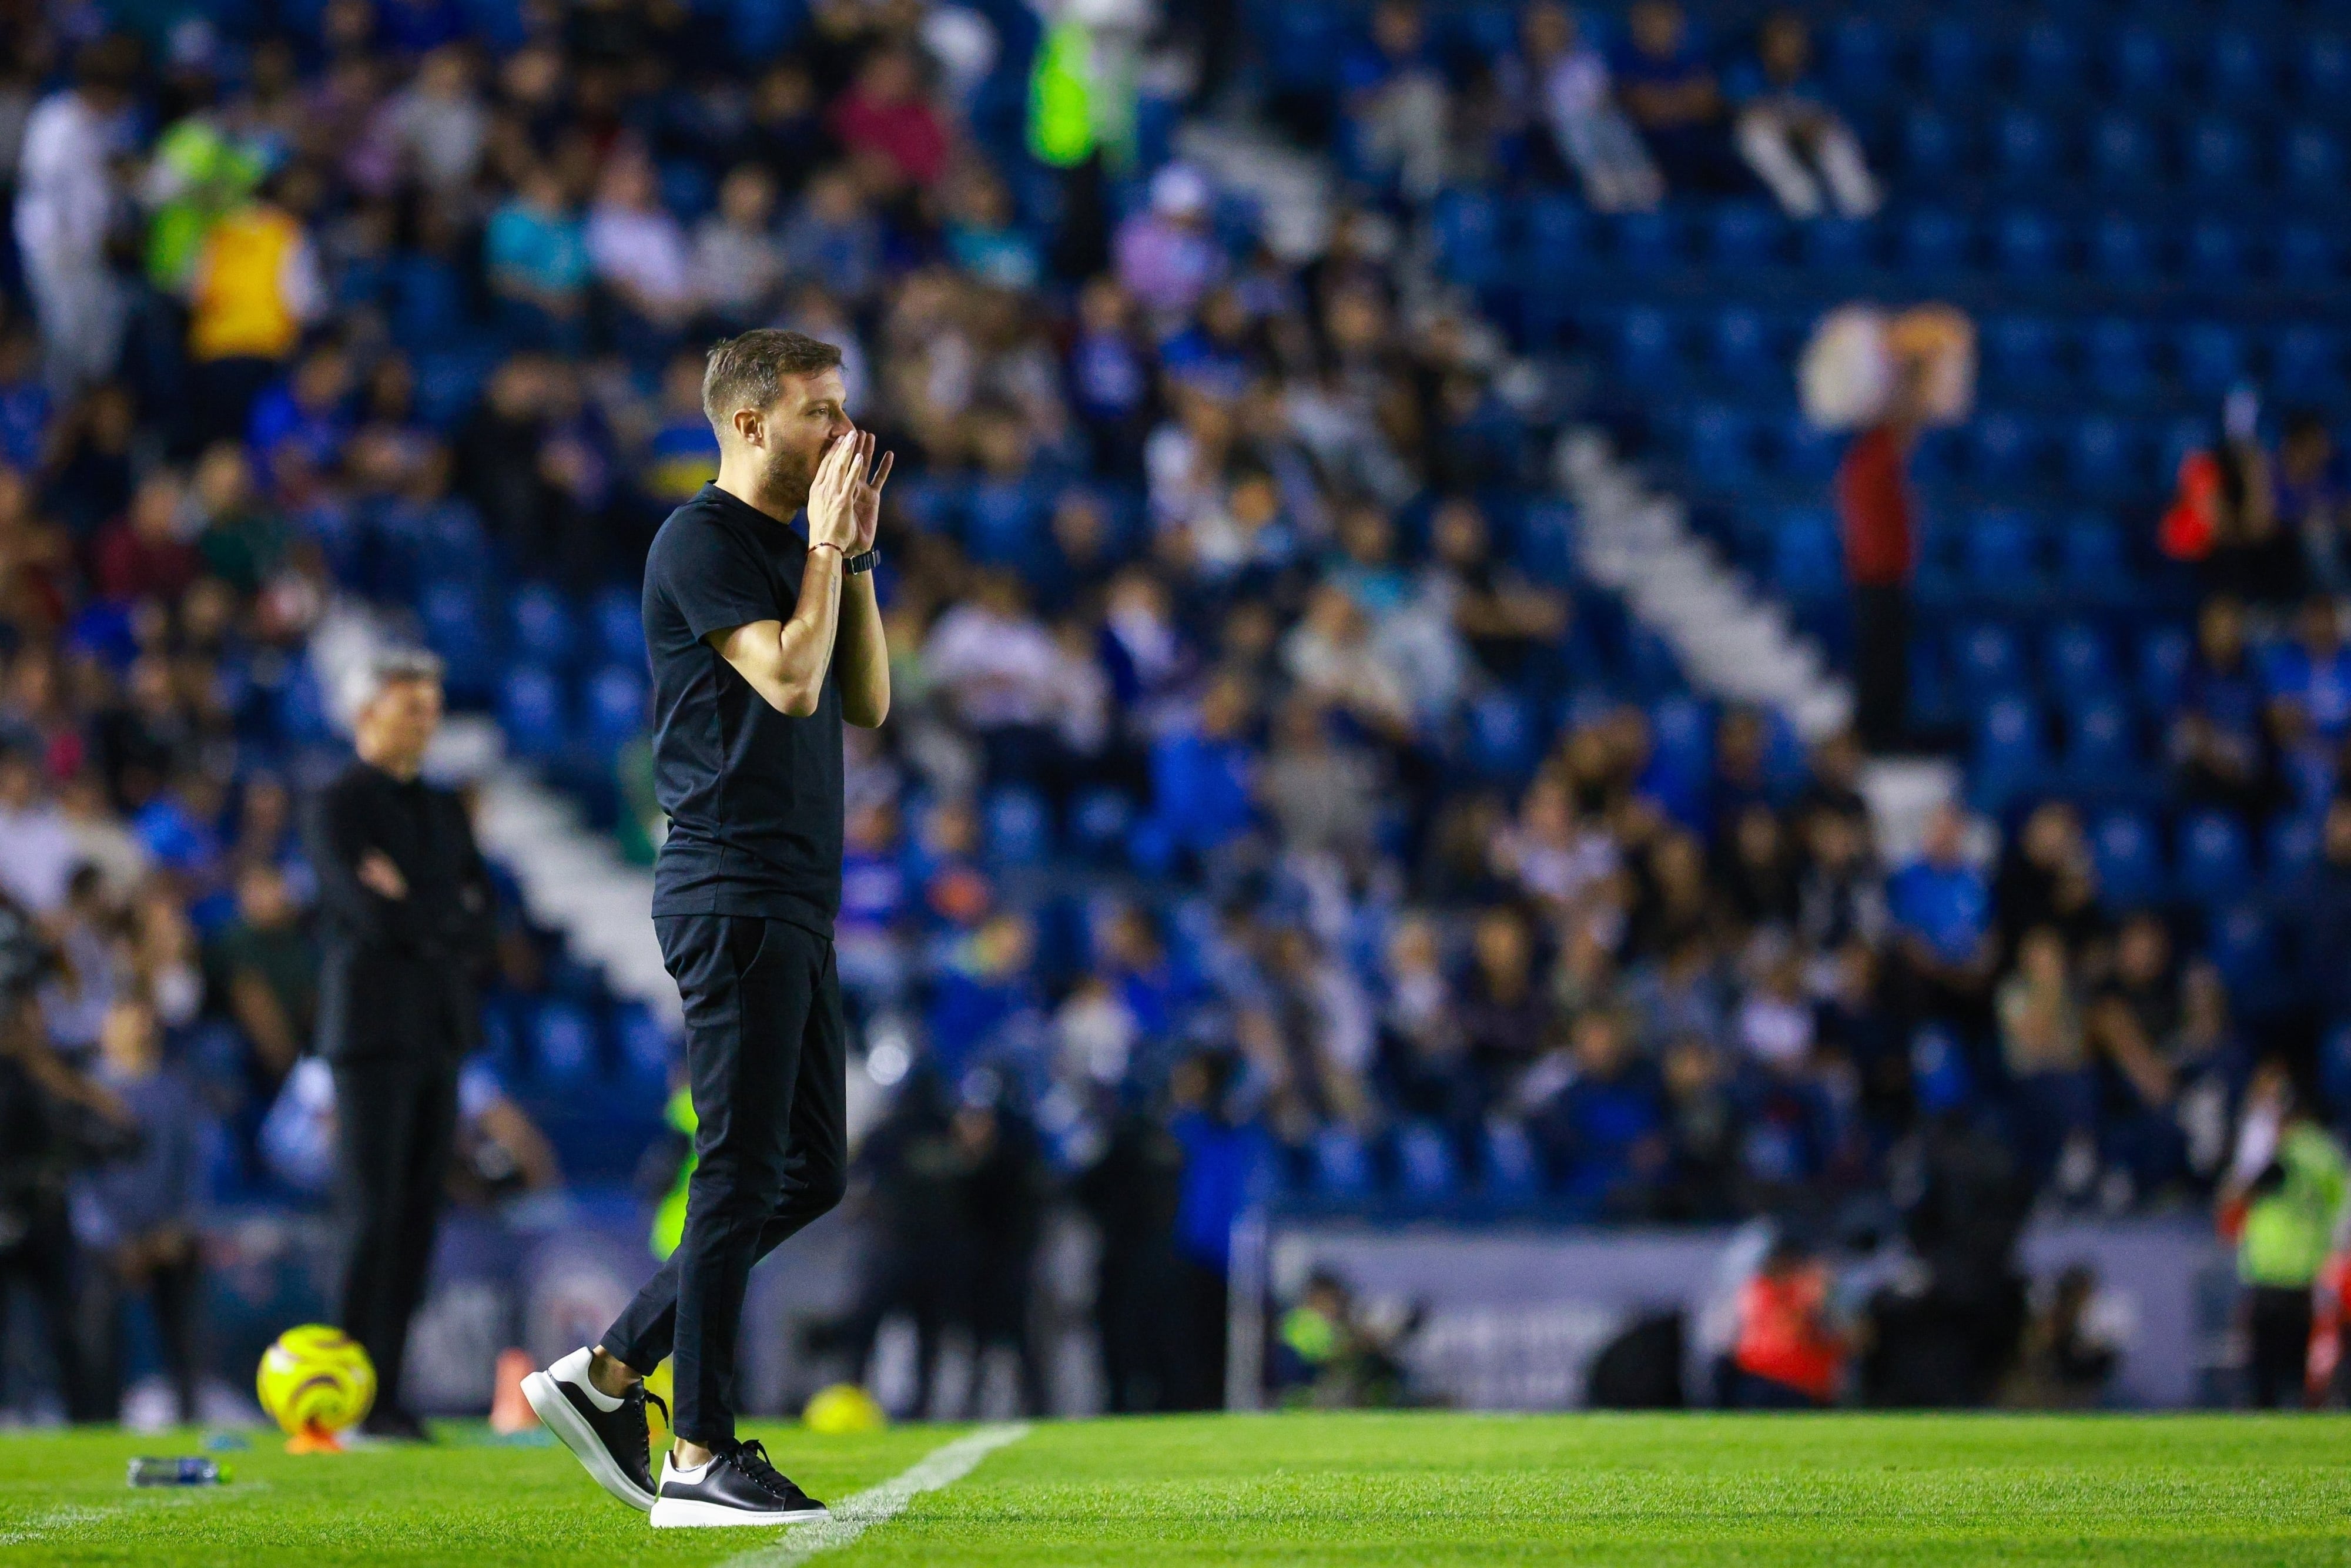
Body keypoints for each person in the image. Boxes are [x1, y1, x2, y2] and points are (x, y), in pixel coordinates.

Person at [525, 329, 891, 1527]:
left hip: (793, 890)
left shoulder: (800, 551)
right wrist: (826, 555)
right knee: (737, 1161)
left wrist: (857, 563)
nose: (842, 434)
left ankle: (611, 1368)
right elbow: (787, 679)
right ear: (745, 424)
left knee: (809, 1169)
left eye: (841, 411)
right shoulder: (697, 540)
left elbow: (867, 701)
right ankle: (697, 1453)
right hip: (729, 882)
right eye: (817, 413)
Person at [305, 649, 496, 1442]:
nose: (424, 720)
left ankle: (385, 1393)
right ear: (364, 716)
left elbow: (484, 917)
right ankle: (345, 1395)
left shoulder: (445, 807)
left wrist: (417, 904)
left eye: (430, 706)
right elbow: (369, 915)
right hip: (372, 1036)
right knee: (370, 1213)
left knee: (418, 1215)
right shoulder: (336, 804)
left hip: (438, 1030)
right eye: (408, 706)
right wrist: (438, 910)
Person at [2219, 1063, 2347, 1409]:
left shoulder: (2269, 1146)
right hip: (2306, 1271)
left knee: (2267, 1377)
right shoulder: (2325, 1150)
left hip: (2274, 1271)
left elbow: (2236, 1197)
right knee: (2303, 1378)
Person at [1838, 361, 1924, 752]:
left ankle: (1879, 728)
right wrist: (1909, 384)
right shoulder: (1872, 462)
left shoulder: (1869, 464)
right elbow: (1904, 424)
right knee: (1881, 660)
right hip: (1879, 576)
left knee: (1885, 659)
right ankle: (1877, 731)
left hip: (1879, 575)